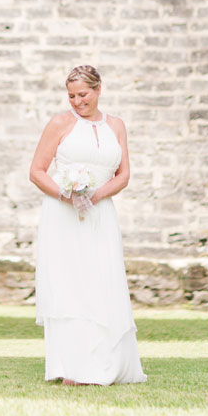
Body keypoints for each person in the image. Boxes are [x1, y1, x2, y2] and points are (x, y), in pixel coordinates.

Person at [29, 65, 147, 386]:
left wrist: (94, 196)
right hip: (63, 214)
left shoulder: (117, 126)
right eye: (71, 96)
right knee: (71, 283)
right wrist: (67, 196)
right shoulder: (59, 123)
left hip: (100, 212)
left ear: (98, 90)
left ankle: (107, 363)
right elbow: (37, 171)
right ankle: (74, 367)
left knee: (102, 281)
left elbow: (123, 175)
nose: (77, 102)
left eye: (83, 94)